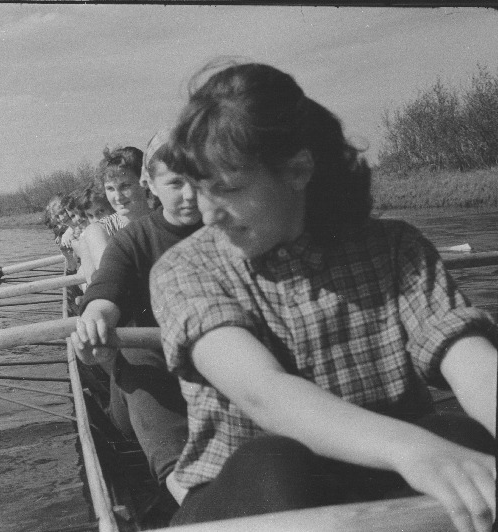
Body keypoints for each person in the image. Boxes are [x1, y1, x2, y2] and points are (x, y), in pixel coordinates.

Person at [149, 62, 497, 531]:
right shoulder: (184, 267)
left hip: (382, 482)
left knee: (459, 433)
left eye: (227, 190)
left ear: (298, 170)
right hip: (251, 499)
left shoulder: (396, 248)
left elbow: (473, 365)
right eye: (198, 190)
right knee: (277, 463)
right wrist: (413, 450)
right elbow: (266, 395)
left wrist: (434, 450)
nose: (207, 215)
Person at [71, 130, 203, 508]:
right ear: (152, 184)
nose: (190, 195)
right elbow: (105, 289)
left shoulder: (229, 228)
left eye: (199, 181)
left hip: (215, 364)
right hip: (148, 373)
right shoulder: (130, 240)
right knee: (136, 357)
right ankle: (188, 492)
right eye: (176, 183)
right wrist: (94, 315)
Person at [80, 146, 152, 284]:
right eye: (110, 189)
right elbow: (114, 280)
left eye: (125, 186)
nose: (118, 197)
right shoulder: (98, 230)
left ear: (144, 183)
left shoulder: (165, 219)